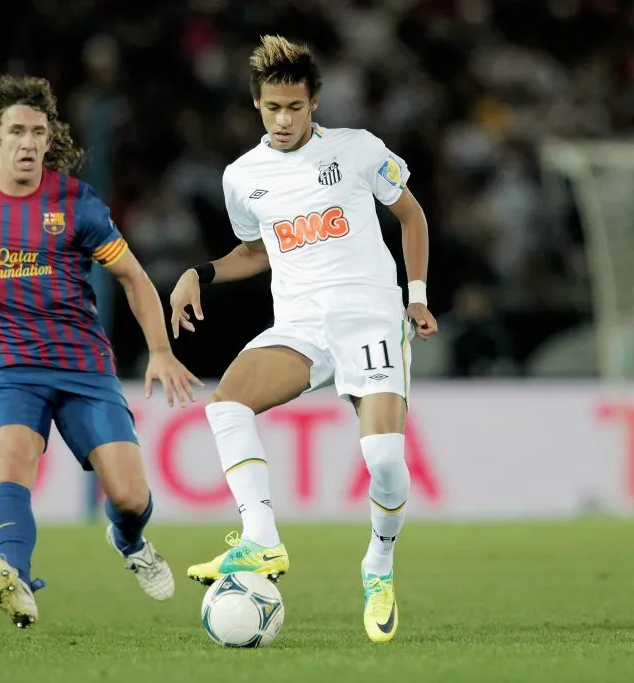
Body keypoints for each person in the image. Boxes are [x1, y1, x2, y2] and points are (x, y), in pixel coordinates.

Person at [0, 75, 201, 629]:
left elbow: (132, 277)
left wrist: (159, 349)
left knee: (130, 497)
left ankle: (130, 540)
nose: (28, 142)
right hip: (6, 365)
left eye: (38, 132)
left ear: (49, 139)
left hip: (82, 366)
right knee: (11, 460)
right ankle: (13, 574)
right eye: (17, 132)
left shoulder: (77, 204)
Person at [168, 36, 438, 644]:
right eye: (272, 108)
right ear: (256, 105)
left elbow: (412, 215)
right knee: (227, 404)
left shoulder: (358, 149)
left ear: (314, 102)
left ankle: (378, 564)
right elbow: (255, 250)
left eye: (294, 107)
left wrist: (417, 295)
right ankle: (260, 538)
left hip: (369, 317)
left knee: (384, 461)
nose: (284, 119)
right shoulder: (243, 176)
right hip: (301, 323)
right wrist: (199, 273)